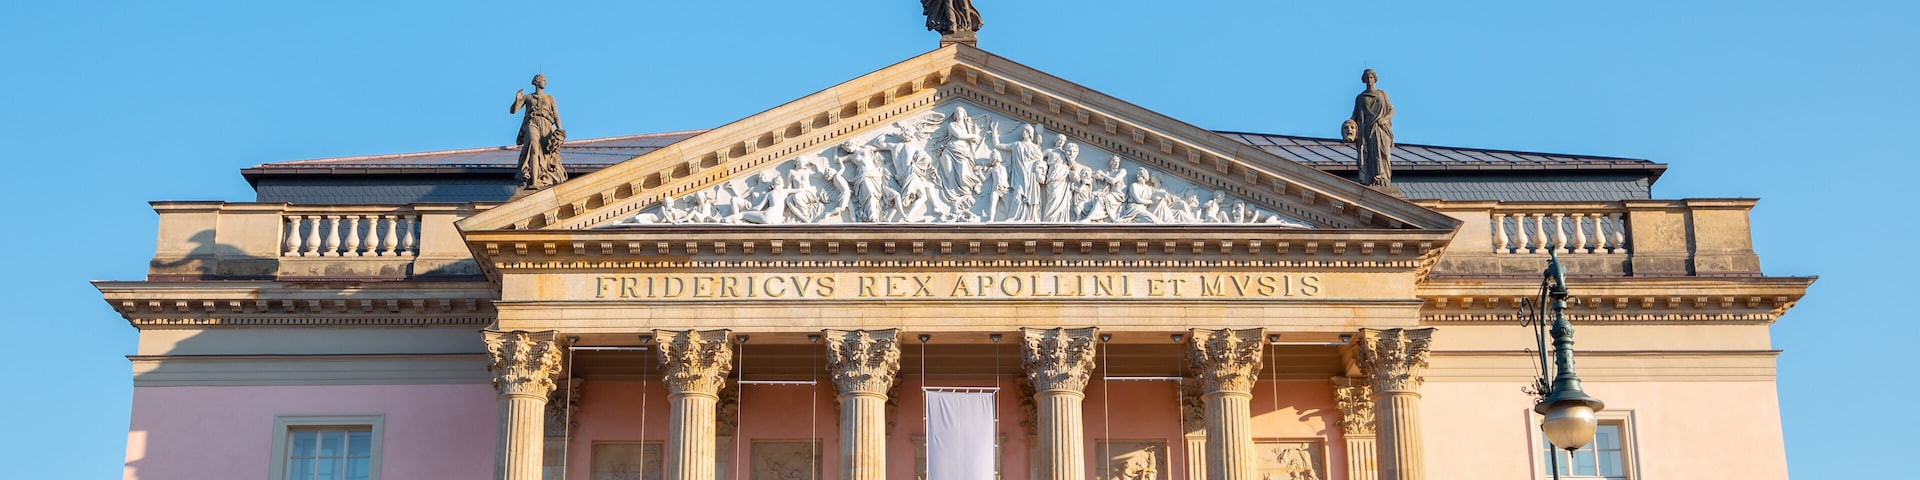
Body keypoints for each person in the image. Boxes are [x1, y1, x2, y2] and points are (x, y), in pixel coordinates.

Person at [510, 74, 567, 190]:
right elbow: (513, 110)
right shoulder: (528, 97)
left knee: (546, 153)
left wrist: (560, 129)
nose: (545, 82)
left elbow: (556, 116)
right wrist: (517, 100)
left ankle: (542, 177)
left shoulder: (549, 98)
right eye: (543, 80)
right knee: (534, 147)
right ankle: (533, 181)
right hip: (532, 123)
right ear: (536, 82)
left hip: (547, 125)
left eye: (545, 80)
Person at [1343, 69, 1395, 186]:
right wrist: (1348, 127)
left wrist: (1384, 119)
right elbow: (1355, 116)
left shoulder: (1382, 95)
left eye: (1371, 77)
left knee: (1383, 154)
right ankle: (1372, 177)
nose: (1369, 80)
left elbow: (1391, 110)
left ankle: (1383, 176)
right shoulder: (1361, 98)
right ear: (1363, 80)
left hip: (1381, 129)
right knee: (1370, 155)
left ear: (1374, 79)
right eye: (1366, 78)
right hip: (1367, 132)